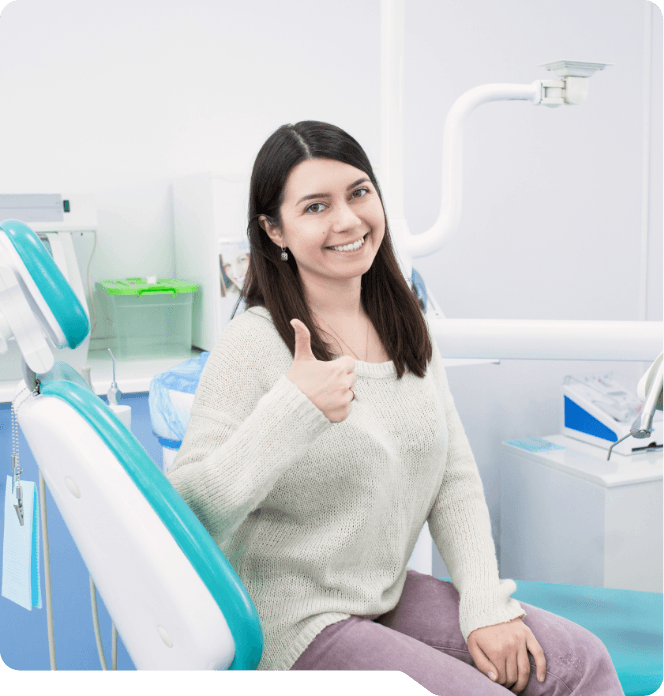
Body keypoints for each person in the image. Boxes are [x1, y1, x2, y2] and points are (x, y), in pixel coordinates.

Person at [166, 121, 624, 694]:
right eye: (315, 206)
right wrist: (291, 411)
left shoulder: (406, 325)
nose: (348, 221)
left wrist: (485, 602)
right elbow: (183, 515)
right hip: (290, 624)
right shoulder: (253, 343)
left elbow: (453, 475)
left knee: (580, 660)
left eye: (359, 192)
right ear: (274, 229)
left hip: (382, 593)